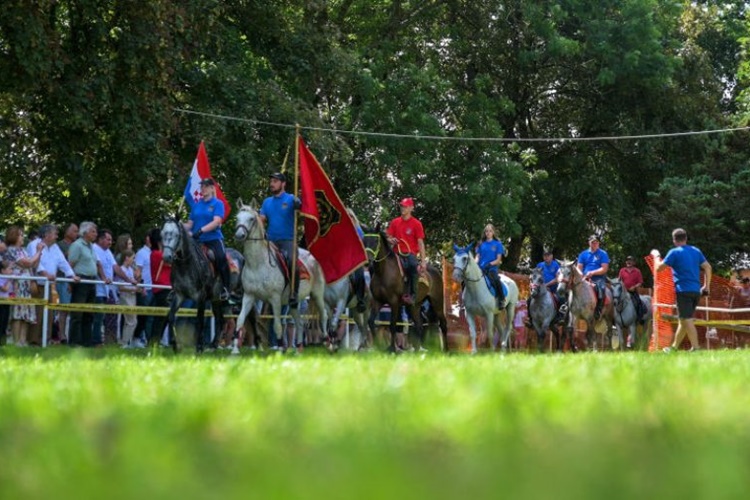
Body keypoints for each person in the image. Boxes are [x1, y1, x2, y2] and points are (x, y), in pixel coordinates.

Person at [656, 228, 711, 353]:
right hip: (696, 292)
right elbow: (708, 267)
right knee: (683, 320)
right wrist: (706, 286)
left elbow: (659, 269)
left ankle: (696, 348)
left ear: (674, 240)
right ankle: (674, 348)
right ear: (686, 238)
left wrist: (656, 258)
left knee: (686, 319)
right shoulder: (696, 251)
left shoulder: (674, 252)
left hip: (683, 291)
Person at [28, 224, 79, 345]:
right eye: (55, 233)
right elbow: (34, 263)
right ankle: (34, 341)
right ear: (46, 235)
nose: (57, 236)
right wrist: (45, 273)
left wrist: (71, 275)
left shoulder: (55, 247)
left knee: (49, 314)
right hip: (36, 284)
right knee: (37, 313)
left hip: (49, 286)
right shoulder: (34, 244)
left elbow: (63, 263)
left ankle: (46, 339)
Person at [185, 177, 232, 302]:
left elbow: (216, 222)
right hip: (197, 241)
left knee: (221, 258)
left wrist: (201, 230)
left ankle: (226, 289)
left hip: (213, 239)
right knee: (181, 256)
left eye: (206, 186)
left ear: (212, 188)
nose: (203, 188)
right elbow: (190, 224)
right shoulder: (196, 205)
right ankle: (179, 286)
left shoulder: (218, 204)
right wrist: (177, 224)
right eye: (202, 186)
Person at [259, 172, 302, 307]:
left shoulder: (291, 199)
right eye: (271, 181)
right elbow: (262, 220)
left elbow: (303, 211)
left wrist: (299, 204)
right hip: (270, 241)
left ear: (283, 184)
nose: (272, 184)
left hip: (287, 240)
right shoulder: (267, 202)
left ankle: (293, 293)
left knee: (292, 261)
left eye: (275, 181)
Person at [5, 226, 43, 347]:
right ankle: (16, 341)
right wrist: (38, 251)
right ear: (14, 236)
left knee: (26, 313)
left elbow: (33, 264)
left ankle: (23, 341)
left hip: (27, 283)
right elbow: (27, 263)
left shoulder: (23, 250)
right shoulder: (12, 250)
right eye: (20, 235)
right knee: (17, 312)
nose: (23, 237)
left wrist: (39, 253)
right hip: (17, 284)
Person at [386, 197, 426, 305]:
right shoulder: (395, 222)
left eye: (406, 206)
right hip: (395, 252)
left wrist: (423, 261)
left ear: (411, 208)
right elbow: (388, 236)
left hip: (409, 253)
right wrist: (390, 239)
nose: (403, 208)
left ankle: (412, 295)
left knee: (413, 266)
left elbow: (420, 243)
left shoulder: (416, 224)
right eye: (402, 206)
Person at [68, 221, 99, 347]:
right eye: (93, 231)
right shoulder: (77, 245)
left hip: (91, 281)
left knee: (89, 313)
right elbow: (70, 265)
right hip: (81, 281)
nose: (95, 234)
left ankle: (87, 341)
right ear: (85, 232)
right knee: (77, 313)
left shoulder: (91, 246)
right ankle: (75, 341)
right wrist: (70, 281)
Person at [55, 223, 78, 341]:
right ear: (67, 232)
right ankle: (62, 335)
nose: (77, 234)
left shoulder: (77, 245)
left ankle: (72, 335)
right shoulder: (59, 245)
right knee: (64, 309)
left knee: (74, 310)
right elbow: (59, 262)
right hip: (63, 280)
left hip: (76, 280)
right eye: (74, 231)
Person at [577, 234, 610, 320]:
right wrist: (582, 276)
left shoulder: (603, 254)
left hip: (598, 278)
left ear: (598, 243)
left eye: (596, 242)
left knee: (602, 289)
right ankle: (566, 308)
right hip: (584, 278)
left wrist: (592, 272)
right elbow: (579, 268)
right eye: (592, 242)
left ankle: (598, 309)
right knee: (570, 287)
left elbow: (604, 268)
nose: (594, 244)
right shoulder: (583, 254)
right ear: (589, 243)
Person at [149, 228, 172, 346]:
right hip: (161, 288)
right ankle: (154, 341)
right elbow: (170, 263)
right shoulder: (156, 254)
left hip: (166, 288)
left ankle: (155, 341)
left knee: (165, 317)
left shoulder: (158, 253)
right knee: (160, 317)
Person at [93, 229, 115, 345]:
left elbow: (115, 267)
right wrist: (103, 278)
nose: (111, 242)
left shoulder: (108, 251)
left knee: (102, 317)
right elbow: (98, 265)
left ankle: (102, 340)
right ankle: (96, 341)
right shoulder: (94, 248)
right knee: (97, 317)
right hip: (97, 290)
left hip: (106, 290)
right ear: (100, 239)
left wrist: (129, 279)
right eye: (108, 239)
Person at [475, 223, 505, 309]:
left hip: (492, 268)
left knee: (495, 279)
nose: (488, 233)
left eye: (490, 231)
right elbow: (477, 256)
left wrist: (490, 264)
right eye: (486, 231)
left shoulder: (498, 244)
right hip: (480, 268)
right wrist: (474, 263)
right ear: (484, 233)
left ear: (493, 232)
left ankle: (501, 299)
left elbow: (498, 259)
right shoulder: (480, 244)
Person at [346, 208, 367, 313]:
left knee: (360, 275)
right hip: (343, 258)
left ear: (353, 217)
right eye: (346, 216)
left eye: (350, 216)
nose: (348, 218)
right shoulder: (340, 229)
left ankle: (360, 300)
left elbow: (363, 247)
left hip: (355, 260)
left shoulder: (359, 231)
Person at [116, 249, 138, 348]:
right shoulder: (122, 270)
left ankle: (127, 341)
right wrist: (133, 289)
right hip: (125, 296)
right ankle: (125, 342)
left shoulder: (130, 270)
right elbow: (120, 287)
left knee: (131, 320)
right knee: (131, 321)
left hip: (132, 296)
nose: (133, 260)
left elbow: (133, 282)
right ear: (126, 258)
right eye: (133, 258)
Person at [618, 255, 646, 323]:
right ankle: (615, 319)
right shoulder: (622, 270)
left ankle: (640, 317)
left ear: (633, 262)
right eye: (627, 260)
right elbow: (619, 280)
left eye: (630, 260)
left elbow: (640, 282)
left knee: (638, 303)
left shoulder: (637, 271)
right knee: (616, 302)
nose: (628, 262)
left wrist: (634, 287)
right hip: (623, 292)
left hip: (633, 292)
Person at [0, 258, 14, 346]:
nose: (11, 271)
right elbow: (4, 289)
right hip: (1, 303)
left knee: (5, 321)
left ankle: (2, 341)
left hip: (7, 302)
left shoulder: (10, 278)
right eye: (9, 269)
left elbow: (11, 291)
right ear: (3, 270)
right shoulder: (1, 278)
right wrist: (9, 280)